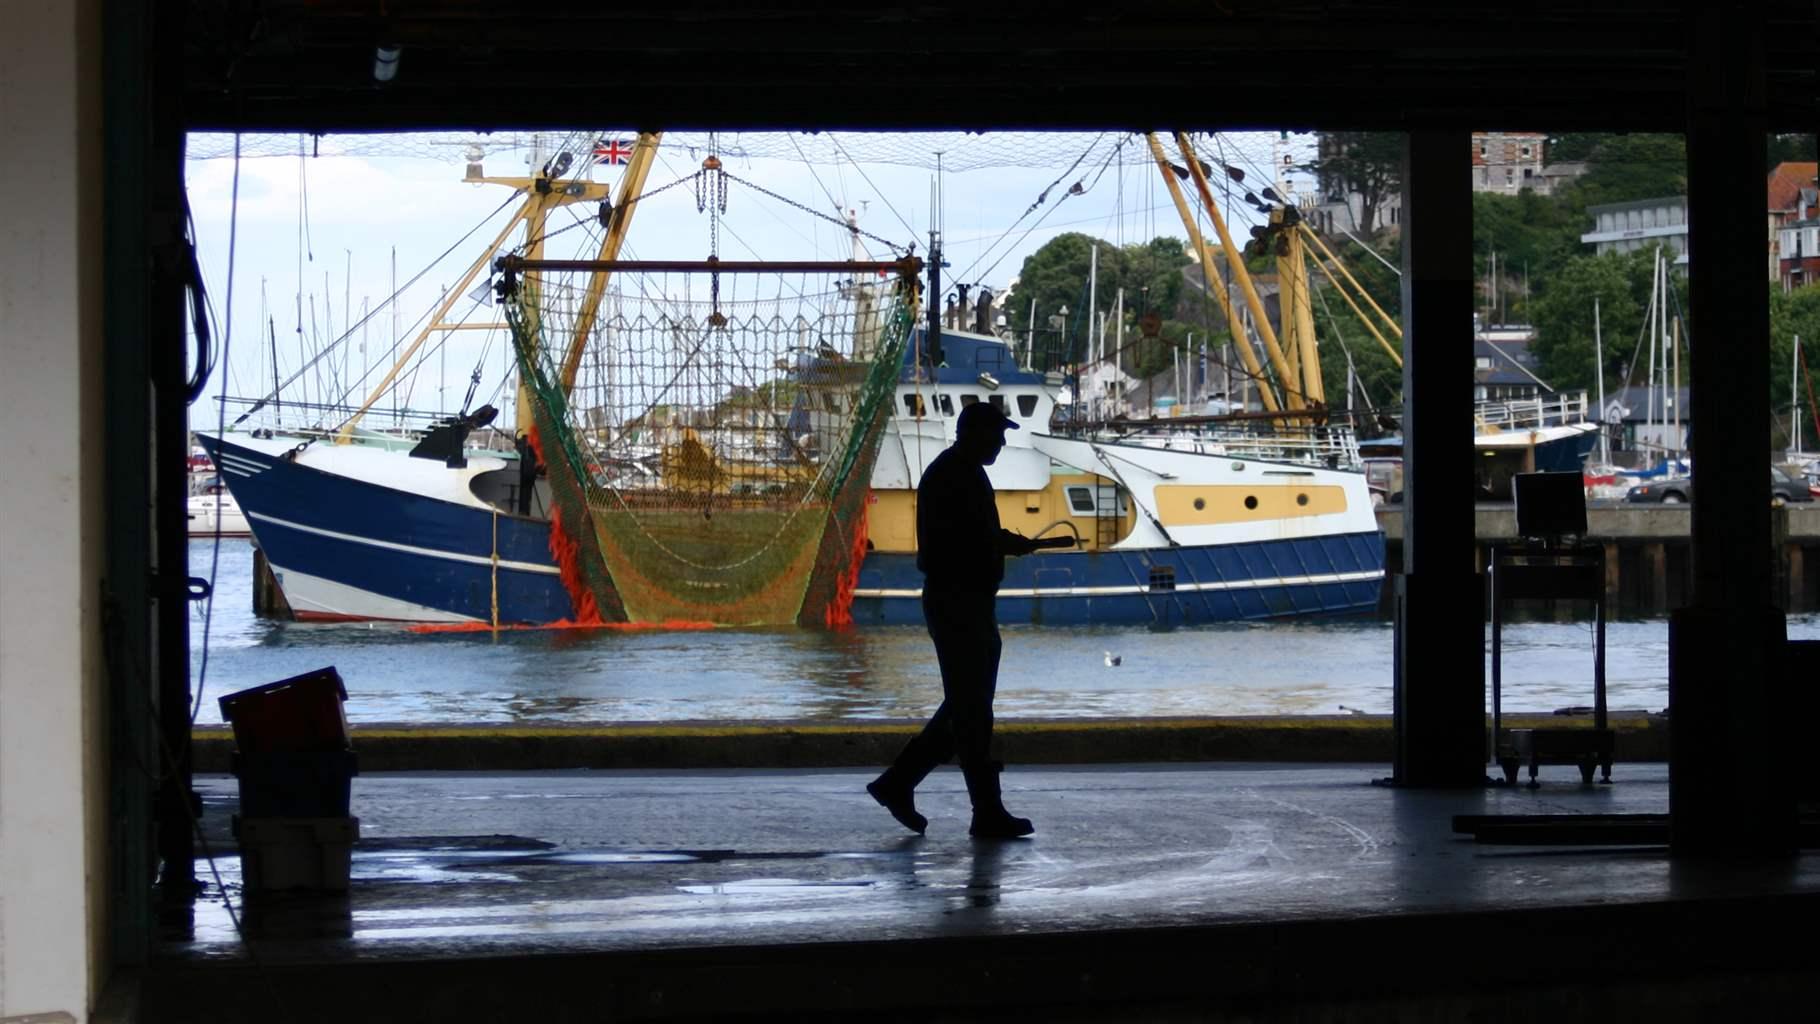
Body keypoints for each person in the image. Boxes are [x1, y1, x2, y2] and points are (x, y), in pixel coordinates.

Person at [867, 401, 1045, 839]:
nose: (1003, 442)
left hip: (967, 603)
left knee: (968, 707)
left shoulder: (957, 471)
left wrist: (1001, 543)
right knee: (972, 711)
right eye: (997, 434)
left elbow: (969, 536)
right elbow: (962, 544)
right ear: (976, 434)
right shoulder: (956, 475)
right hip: (960, 603)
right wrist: (1003, 545)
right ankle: (980, 810)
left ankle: (902, 784)